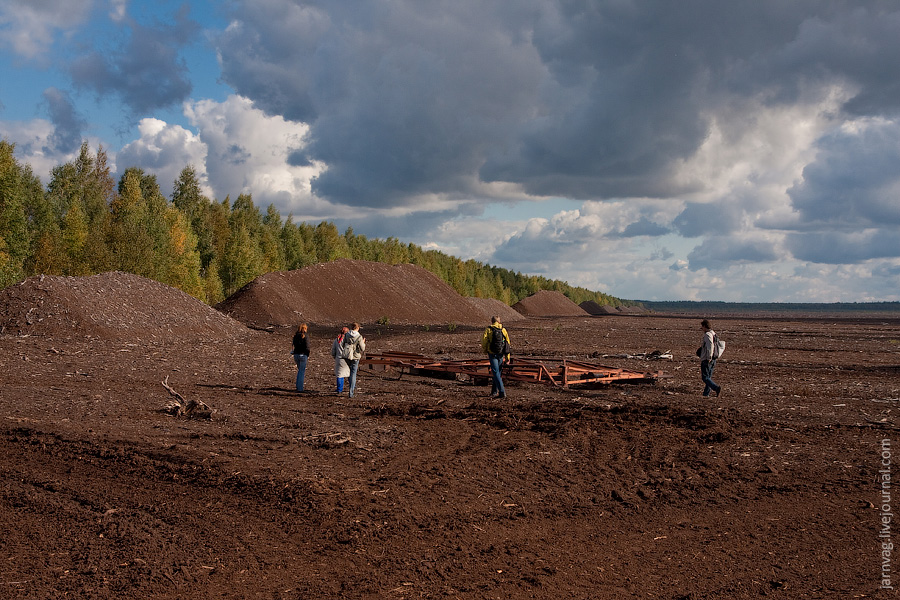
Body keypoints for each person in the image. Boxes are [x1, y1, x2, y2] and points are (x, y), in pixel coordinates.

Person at [481, 316, 511, 398]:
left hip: (492, 353)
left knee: (495, 372)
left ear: (492, 321)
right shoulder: (503, 330)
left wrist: (485, 350)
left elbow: (484, 341)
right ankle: (494, 392)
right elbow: (507, 344)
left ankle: (502, 392)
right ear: (499, 321)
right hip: (500, 354)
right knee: (498, 373)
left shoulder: (489, 329)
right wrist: (508, 357)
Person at [698, 319, 722, 397]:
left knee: (705, 377)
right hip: (713, 358)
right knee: (708, 377)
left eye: (702, 327)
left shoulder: (708, 335)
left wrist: (709, 357)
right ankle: (706, 393)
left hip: (708, 358)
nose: (702, 329)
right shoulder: (714, 334)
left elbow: (710, 346)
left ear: (705, 326)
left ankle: (716, 388)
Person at [342, 322, 367, 398]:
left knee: (350, 372)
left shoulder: (347, 335)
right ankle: (351, 391)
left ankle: (351, 386)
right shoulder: (359, 337)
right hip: (355, 356)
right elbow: (362, 348)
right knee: (353, 373)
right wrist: (363, 342)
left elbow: (343, 344)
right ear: (357, 328)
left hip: (348, 356)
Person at [291, 323, 310, 392]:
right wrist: (307, 354)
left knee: (300, 371)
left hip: (296, 355)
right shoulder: (305, 336)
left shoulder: (296, 336)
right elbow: (307, 346)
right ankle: (300, 388)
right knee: (301, 372)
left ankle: (298, 386)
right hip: (303, 355)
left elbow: (293, 345)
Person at [331, 326, 350, 393]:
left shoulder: (337, 339)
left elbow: (333, 350)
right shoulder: (348, 340)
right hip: (347, 358)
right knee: (349, 373)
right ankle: (351, 388)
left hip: (339, 358)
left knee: (340, 374)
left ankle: (339, 389)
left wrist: (335, 357)